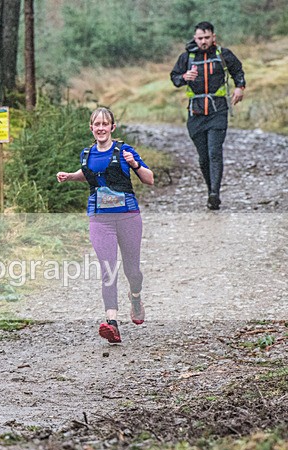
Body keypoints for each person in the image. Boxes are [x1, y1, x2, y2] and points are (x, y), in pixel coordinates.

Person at [57, 107, 154, 344]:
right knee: (108, 269)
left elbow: (149, 179)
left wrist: (135, 165)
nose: (100, 128)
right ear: (91, 128)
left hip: (128, 216)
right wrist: (70, 176)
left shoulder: (124, 151)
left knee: (132, 270)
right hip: (99, 218)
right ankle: (112, 323)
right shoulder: (87, 153)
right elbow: (89, 172)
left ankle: (135, 296)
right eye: (96, 124)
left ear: (112, 127)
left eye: (105, 124)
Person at [170, 21, 246, 210]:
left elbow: (238, 70)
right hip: (195, 113)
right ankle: (210, 189)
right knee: (203, 158)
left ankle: (214, 194)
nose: (203, 41)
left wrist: (239, 87)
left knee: (214, 153)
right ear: (195, 38)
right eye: (200, 38)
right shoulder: (187, 57)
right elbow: (174, 77)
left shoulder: (223, 54)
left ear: (213, 37)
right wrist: (183, 78)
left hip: (218, 111)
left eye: (206, 37)